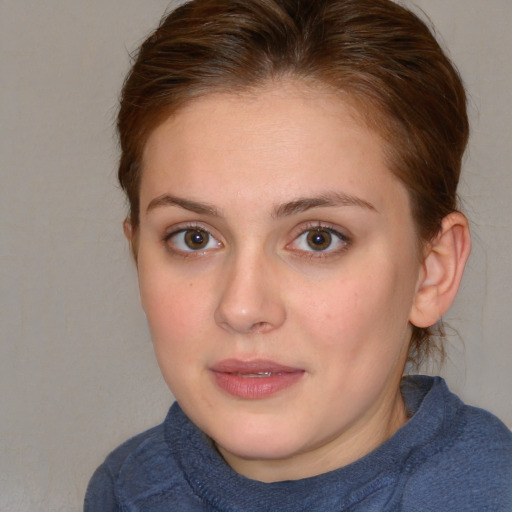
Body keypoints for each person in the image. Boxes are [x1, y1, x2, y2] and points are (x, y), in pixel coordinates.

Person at [84, 0, 512, 510]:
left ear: (431, 272)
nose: (242, 308)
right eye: (194, 238)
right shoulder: (126, 489)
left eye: (318, 238)